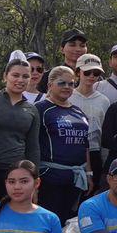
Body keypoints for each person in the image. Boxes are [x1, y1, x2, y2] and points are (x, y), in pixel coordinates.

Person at [35, 65, 92, 222]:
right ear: (50, 85)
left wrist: (88, 173)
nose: (67, 87)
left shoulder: (78, 111)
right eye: (62, 83)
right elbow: (31, 144)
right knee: (51, 221)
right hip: (50, 177)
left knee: (70, 222)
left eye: (71, 84)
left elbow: (85, 144)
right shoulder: (40, 109)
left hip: (76, 177)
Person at [0, 59, 41, 199]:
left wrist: (34, 183)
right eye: (15, 75)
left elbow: (33, 148)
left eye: (25, 76)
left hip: (16, 175)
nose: (20, 80)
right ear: (5, 76)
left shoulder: (32, 109)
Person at [67, 54, 111, 194]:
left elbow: (104, 132)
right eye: (87, 72)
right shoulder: (68, 96)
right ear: (78, 72)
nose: (91, 76)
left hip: (95, 152)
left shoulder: (104, 101)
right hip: (71, 150)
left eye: (96, 73)